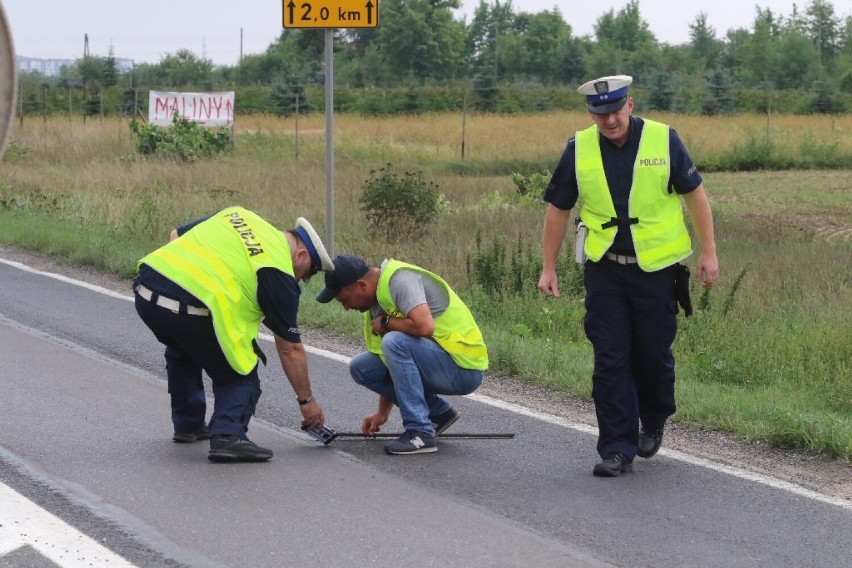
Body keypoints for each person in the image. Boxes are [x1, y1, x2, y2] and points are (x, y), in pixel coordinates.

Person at [537, 75, 719, 477]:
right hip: (605, 269)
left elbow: (695, 195)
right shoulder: (578, 147)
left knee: (652, 354)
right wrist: (548, 266)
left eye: (616, 111)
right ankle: (617, 447)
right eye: (600, 114)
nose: (610, 121)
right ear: (591, 113)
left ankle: (653, 417)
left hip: (656, 270)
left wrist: (709, 251)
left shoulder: (663, 139)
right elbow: (559, 208)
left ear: (630, 105)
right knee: (610, 357)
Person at [133, 206, 334, 463]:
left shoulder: (240, 215)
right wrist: (307, 401)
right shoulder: (279, 272)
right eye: (305, 275)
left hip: (147, 291)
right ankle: (229, 436)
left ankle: (189, 425)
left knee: (184, 348)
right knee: (239, 375)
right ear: (301, 256)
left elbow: (175, 235)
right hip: (193, 309)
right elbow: (290, 349)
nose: (299, 280)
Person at [316, 254, 488, 455]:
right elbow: (388, 360)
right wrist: (382, 413)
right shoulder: (377, 301)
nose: (346, 308)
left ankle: (420, 432)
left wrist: (387, 323)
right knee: (361, 367)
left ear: (361, 285)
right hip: (440, 362)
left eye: (344, 299)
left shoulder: (400, 281)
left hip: (463, 367)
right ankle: (438, 413)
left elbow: (424, 327)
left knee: (394, 341)